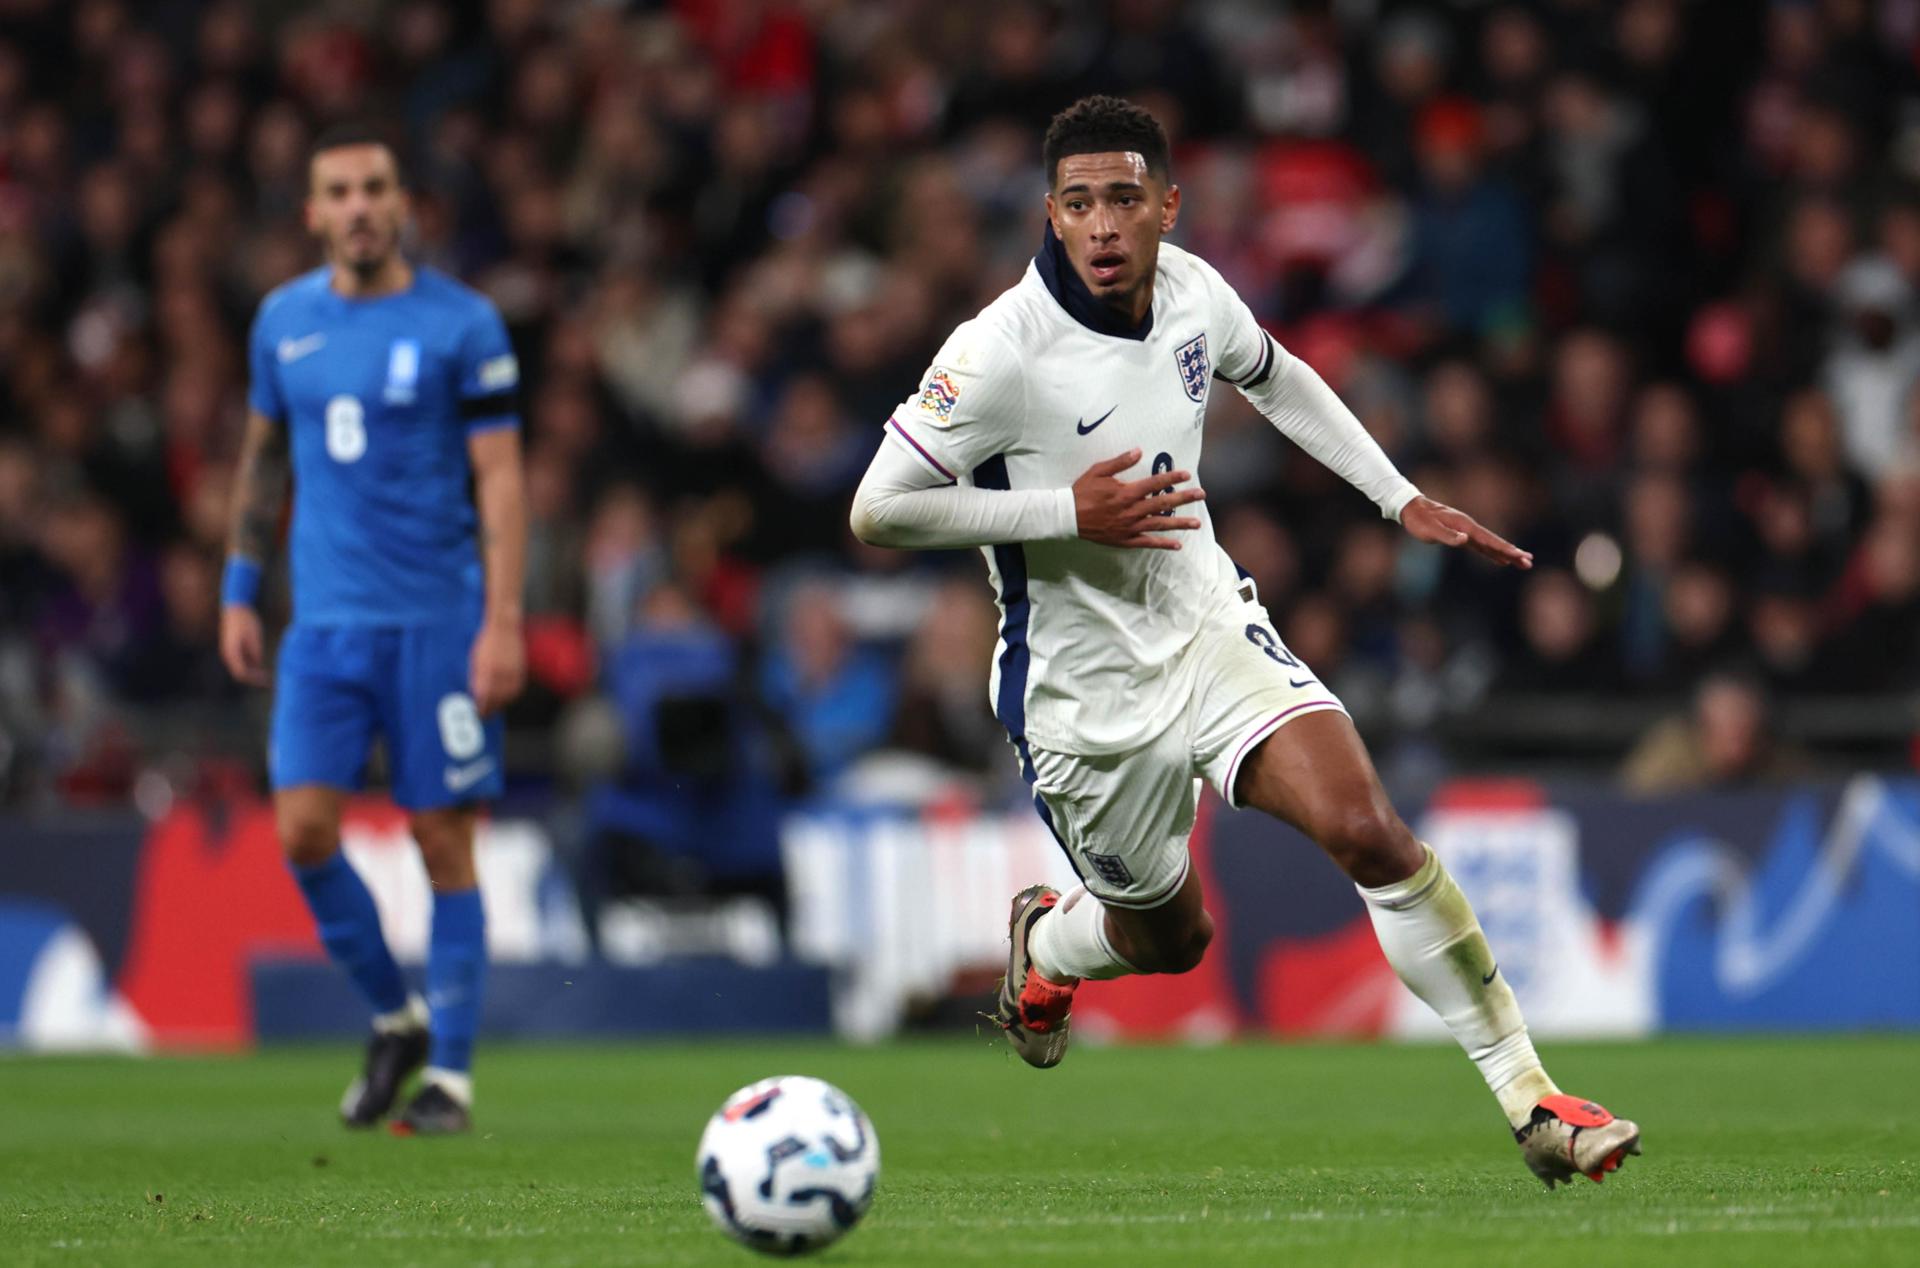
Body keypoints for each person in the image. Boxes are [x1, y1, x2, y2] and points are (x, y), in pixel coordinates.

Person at [849, 96, 1640, 1188]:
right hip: (1081, 699)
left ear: (1167, 206)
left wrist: (1397, 496)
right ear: (1053, 213)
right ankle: (1049, 944)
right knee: (1172, 938)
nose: (1103, 224)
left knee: (1368, 828)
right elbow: (877, 509)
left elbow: (1276, 374)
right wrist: (1065, 513)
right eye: (1079, 202)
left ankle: (1532, 1097)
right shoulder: (998, 352)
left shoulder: (1193, 292)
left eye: (1125, 198)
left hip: (1209, 626)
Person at [220, 124, 526, 1136]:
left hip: (437, 621)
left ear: (403, 206)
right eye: (338, 191)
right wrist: (237, 584)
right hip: (324, 627)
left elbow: (501, 478)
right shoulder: (282, 323)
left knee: (443, 838)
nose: (358, 205)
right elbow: (265, 459)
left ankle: (452, 1077)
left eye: (375, 188)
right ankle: (395, 1017)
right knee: (303, 830)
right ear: (312, 213)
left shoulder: (465, 325)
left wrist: (503, 620)